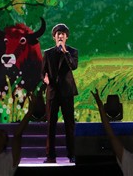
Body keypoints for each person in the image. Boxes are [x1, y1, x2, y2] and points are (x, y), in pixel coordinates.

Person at [41, 23, 79, 163]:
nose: (60, 36)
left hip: (67, 92)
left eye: (63, 34)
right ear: (54, 37)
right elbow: (42, 72)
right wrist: (45, 79)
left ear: (66, 37)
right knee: (51, 125)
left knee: (69, 124)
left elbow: (73, 66)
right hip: (52, 92)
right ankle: (50, 156)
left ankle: (72, 154)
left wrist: (65, 52)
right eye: (58, 34)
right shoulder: (48, 53)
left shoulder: (72, 52)